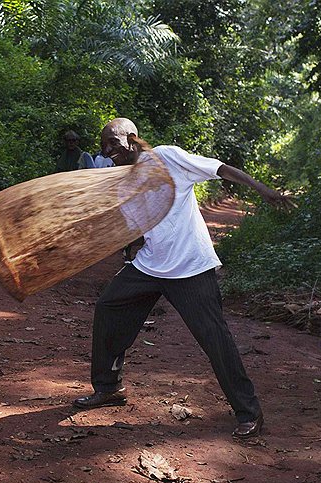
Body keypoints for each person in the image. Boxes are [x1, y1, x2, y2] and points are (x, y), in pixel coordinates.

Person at [72, 118, 294, 439]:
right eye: (103, 145)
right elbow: (137, 227)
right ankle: (108, 388)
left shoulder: (167, 157)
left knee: (214, 337)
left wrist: (262, 189)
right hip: (149, 266)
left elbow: (220, 168)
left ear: (132, 139)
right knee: (109, 307)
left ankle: (249, 411)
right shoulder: (123, 180)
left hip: (190, 266)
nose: (107, 151)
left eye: (113, 143)